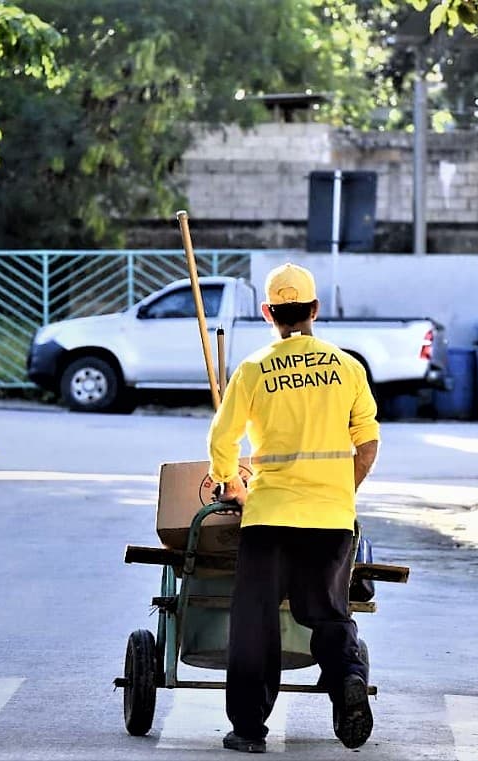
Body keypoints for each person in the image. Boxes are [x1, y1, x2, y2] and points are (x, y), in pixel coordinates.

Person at [207, 262, 380, 754]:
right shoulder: (347, 367)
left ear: (268, 313)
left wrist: (230, 484)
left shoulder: (253, 369)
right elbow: (367, 444)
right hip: (329, 519)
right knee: (325, 611)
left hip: (269, 518)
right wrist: (339, 491)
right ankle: (346, 674)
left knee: (255, 623)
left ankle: (247, 730)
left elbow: (222, 439)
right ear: (315, 310)